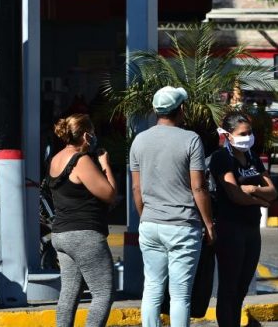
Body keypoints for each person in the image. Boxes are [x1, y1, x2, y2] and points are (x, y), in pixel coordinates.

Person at [130, 86, 216, 327]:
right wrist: (208, 224)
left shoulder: (139, 140)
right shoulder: (190, 140)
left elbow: (137, 189)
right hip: (183, 225)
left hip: (150, 223)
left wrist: (144, 216)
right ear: (181, 110)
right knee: (180, 294)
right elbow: (198, 187)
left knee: (152, 287)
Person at [48, 114, 116, 327]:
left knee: (69, 293)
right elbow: (109, 194)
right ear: (86, 135)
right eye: (93, 132)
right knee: (103, 293)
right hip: (84, 234)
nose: (95, 136)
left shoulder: (56, 158)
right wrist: (106, 165)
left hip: (61, 234)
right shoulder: (81, 160)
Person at [210, 112, 277, 327]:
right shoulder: (222, 158)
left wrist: (253, 189)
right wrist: (260, 201)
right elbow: (235, 195)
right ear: (228, 135)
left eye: (249, 132)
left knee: (241, 288)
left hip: (251, 229)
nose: (248, 137)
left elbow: (272, 191)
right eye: (242, 133)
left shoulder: (252, 156)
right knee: (229, 287)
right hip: (230, 228)